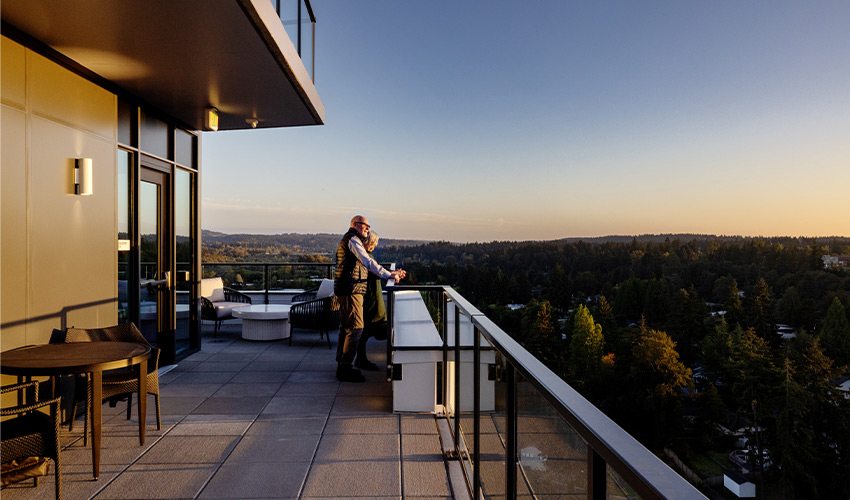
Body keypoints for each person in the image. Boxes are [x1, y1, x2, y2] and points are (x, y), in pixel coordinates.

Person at [334, 215, 405, 382]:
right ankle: (345, 368)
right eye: (366, 225)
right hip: (352, 289)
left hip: (347, 288)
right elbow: (368, 262)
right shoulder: (353, 240)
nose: (368, 228)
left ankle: (341, 362)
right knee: (356, 328)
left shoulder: (349, 239)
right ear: (356, 225)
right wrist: (390, 274)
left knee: (345, 327)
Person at [354, 231, 388, 371]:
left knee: (365, 331)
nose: (374, 245)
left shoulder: (366, 256)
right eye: (374, 243)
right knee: (365, 330)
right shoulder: (366, 257)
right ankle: (361, 360)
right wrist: (391, 275)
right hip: (370, 298)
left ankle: (360, 359)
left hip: (369, 297)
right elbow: (375, 271)